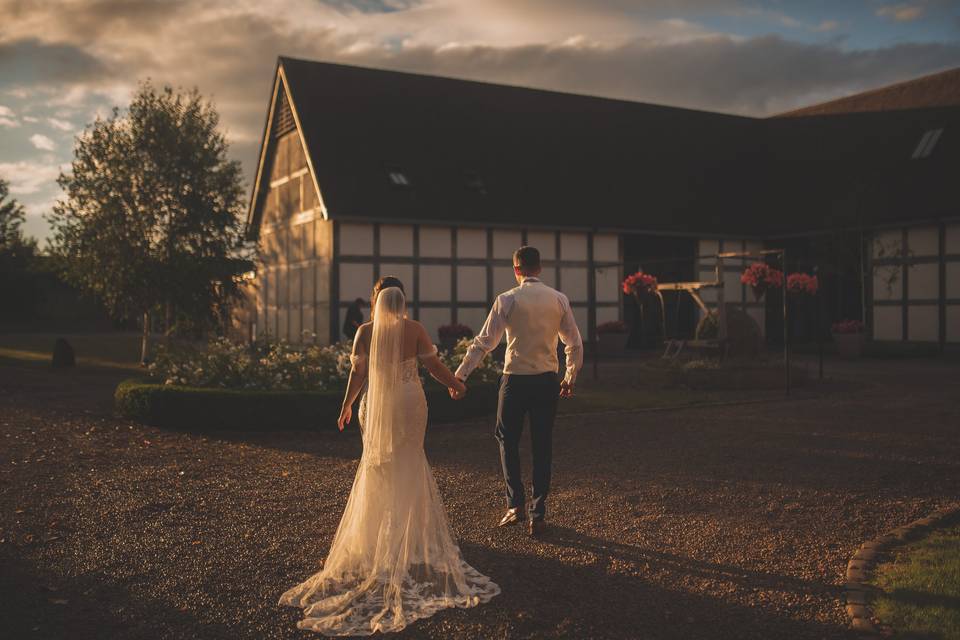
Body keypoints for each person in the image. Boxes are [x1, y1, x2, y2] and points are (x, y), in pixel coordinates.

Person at [279, 276, 499, 635]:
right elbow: (433, 368)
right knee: (410, 462)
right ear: (403, 301)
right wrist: (457, 385)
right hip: (410, 403)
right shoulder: (414, 329)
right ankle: (409, 538)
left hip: (377, 406)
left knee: (377, 466)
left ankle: (375, 539)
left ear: (375, 301)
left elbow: (358, 372)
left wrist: (347, 405)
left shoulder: (364, 331)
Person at [454, 246, 583, 537]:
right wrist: (569, 376)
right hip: (547, 380)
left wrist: (460, 376)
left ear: (516, 270)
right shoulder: (559, 299)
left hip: (515, 380)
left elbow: (484, 342)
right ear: (539, 267)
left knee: (506, 439)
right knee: (542, 444)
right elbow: (574, 343)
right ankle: (538, 513)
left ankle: (515, 505)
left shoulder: (507, 299)